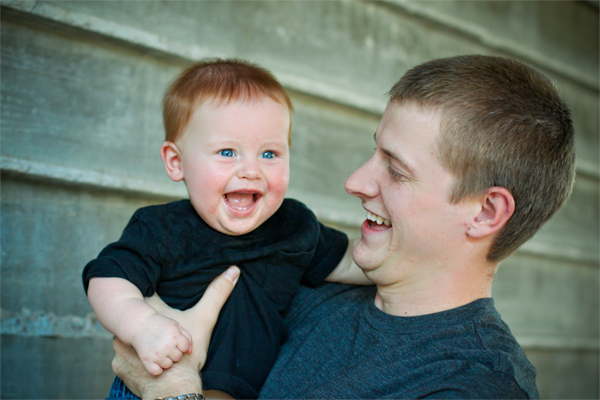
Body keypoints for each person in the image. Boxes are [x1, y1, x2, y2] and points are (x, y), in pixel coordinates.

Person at [111, 55, 575, 399]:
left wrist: (173, 391)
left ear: (485, 213)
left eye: (395, 168)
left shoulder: (473, 384)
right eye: (374, 151)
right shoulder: (296, 286)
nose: (354, 181)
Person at [83, 59, 370, 400]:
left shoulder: (295, 226)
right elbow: (106, 278)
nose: (251, 170)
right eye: (227, 152)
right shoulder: (162, 229)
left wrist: (410, 252)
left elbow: (352, 261)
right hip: (153, 385)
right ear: (177, 162)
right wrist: (142, 325)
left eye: (269, 153)